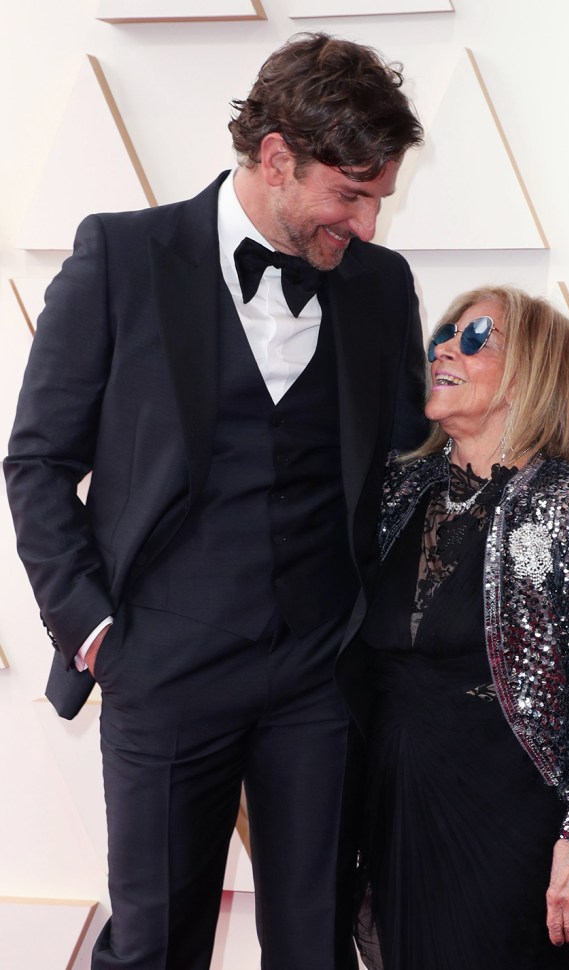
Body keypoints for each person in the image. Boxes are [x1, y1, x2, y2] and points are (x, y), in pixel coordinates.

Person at [4, 32, 426, 970]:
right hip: (164, 666)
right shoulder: (122, 255)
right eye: (349, 194)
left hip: (318, 676)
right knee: (154, 944)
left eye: (377, 199)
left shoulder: (381, 286)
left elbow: (404, 468)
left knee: (315, 943)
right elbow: (36, 461)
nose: (364, 225)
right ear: (277, 157)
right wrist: (94, 625)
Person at [354, 285, 569, 970]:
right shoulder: (394, 494)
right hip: (386, 813)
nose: (444, 348)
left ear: (532, 374)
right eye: (444, 334)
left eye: (477, 339)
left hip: (507, 827)